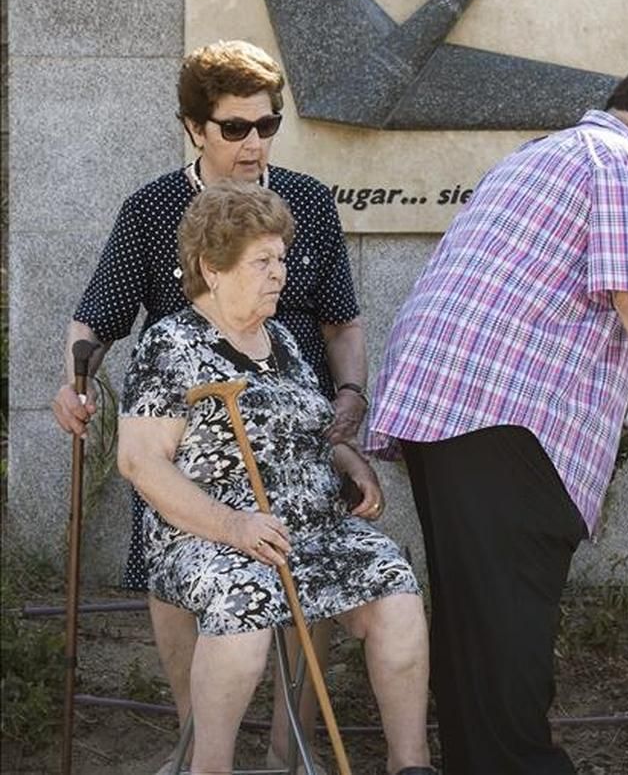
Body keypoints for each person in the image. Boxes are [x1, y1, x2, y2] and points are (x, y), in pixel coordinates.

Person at [367, 61, 628, 774]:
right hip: (502, 420)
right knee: (509, 634)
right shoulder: (621, 160)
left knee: (478, 632)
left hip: (449, 410)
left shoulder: (542, 155)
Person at [49, 40, 367, 771]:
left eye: (268, 124)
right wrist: (76, 377)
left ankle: (293, 749)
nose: (254, 142)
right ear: (194, 127)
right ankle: (197, 745)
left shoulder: (309, 204)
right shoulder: (153, 208)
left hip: (292, 430)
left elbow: (342, 320)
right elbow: (96, 315)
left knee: (306, 567)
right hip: (185, 440)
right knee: (173, 570)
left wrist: (350, 393)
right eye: (235, 127)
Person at [116, 182, 433, 775]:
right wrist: (234, 525)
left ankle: (409, 764)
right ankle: (210, 766)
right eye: (262, 260)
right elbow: (140, 461)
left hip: (307, 530)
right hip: (207, 538)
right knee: (244, 599)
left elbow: (308, 431)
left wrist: (350, 462)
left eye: (281, 258)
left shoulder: (282, 340)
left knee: (392, 581)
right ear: (213, 267)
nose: (279, 273)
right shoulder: (171, 344)